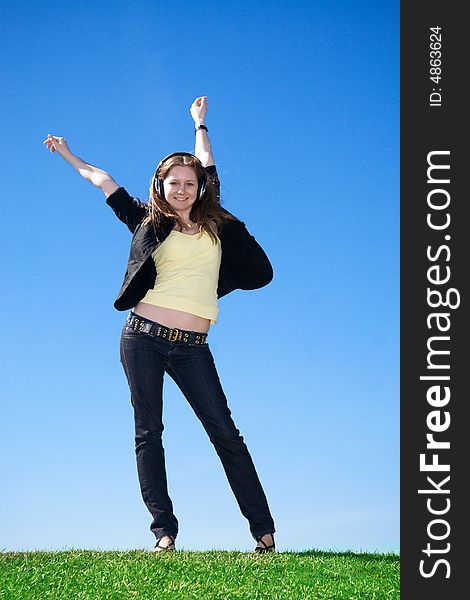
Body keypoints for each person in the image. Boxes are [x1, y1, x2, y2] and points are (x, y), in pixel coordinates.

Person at [43, 96, 276, 554]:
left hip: (193, 345)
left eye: (190, 183)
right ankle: (163, 533)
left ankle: (264, 533)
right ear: (161, 185)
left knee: (225, 434)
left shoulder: (216, 226)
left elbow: (206, 161)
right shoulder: (146, 221)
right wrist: (69, 154)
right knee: (149, 432)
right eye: (174, 183)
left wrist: (199, 124)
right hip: (142, 338)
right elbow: (102, 180)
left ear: (201, 186)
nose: (183, 189)